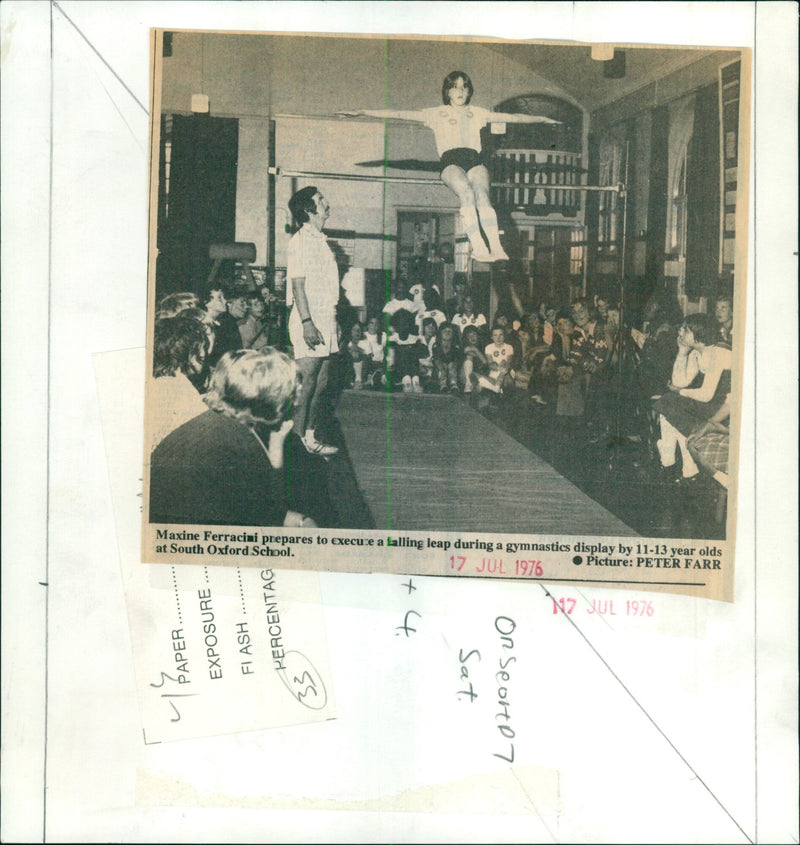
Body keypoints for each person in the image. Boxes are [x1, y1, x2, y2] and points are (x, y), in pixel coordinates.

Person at [340, 70, 558, 263]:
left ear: (469, 90)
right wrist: (362, 111)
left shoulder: (479, 113)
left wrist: (541, 119)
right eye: (455, 87)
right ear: (447, 91)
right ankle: (479, 248)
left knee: (482, 194)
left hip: (475, 160)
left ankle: (496, 246)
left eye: (464, 86)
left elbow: (514, 118)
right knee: (467, 193)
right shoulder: (435, 113)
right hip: (451, 161)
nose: (460, 90)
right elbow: (397, 113)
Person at [149, 348, 315, 527]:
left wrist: (276, 444)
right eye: (292, 395)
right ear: (270, 400)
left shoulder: (216, 422)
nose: (297, 402)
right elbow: (271, 515)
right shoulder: (238, 444)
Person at [286, 185, 342, 456]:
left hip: (325, 319)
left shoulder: (321, 239)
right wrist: (307, 321)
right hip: (308, 319)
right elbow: (298, 286)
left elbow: (328, 288)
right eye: (321, 200)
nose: (326, 202)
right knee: (306, 382)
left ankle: (310, 435)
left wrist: (333, 321)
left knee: (322, 380)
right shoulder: (300, 241)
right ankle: (295, 444)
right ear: (309, 210)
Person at [148, 312, 212, 453]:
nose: (204, 353)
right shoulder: (180, 391)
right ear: (190, 353)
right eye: (202, 347)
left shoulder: (158, 380)